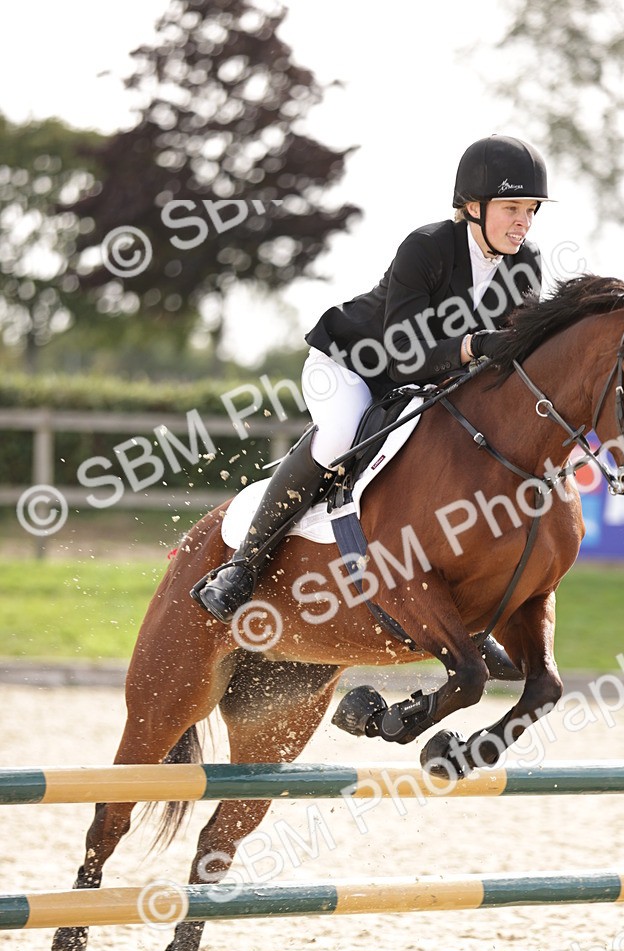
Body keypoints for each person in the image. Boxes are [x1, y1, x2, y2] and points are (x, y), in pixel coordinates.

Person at [192, 134, 552, 639]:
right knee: (342, 436)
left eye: (532, 209)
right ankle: (244, 566)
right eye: (512, 206)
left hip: (431, 379)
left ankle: (467, 617)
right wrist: (471, 347)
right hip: (354, 365)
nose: (524, 221)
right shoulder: (426, 248)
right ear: (472, 206)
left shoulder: (525, 262)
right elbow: (405, 353)